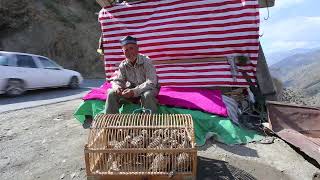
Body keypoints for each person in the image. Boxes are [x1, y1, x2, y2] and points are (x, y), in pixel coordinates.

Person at [105, 36, 160, 114]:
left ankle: (150, 122)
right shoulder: (123, 65)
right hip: (132, 89)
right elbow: (118, 80)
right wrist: (117, 88)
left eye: (131, 48)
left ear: (137, 48)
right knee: (111, 93)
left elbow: (151, 82)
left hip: (148, 89)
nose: (129, 52)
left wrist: (134, 91)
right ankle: (111, 122)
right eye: (126, 50)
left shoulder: (147, 61)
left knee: (147, 95)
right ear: (123, 52)